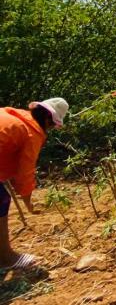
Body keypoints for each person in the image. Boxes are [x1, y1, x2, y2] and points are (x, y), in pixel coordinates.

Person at [1, 99, 69, 269]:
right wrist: (28, 204)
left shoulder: (15, 115)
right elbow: (25, 173)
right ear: (47, 120)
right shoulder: (31, 132)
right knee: (1, 200)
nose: (50, 129)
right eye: (52, 125)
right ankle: (6, 258)